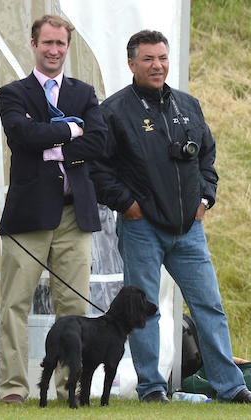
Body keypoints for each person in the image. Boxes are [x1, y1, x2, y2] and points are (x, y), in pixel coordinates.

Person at [90, 29, 251, 403]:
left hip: (188, 230)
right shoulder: (113, 111)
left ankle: (230, 387)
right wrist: (126, 205)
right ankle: (151, 389)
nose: (157, 65)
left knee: (209, 305)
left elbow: (207, 158)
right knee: (144, 311)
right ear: (131, 64)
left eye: (162, 57)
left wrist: (205, 200)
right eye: (148, 59)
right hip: (141, 228)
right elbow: (97, 168)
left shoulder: (188, 105)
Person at [0, 15, 107, 404]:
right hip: (28, 215)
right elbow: (22, 136)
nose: (54, 50)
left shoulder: (84, 92)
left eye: (61, 44)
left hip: (75, 214)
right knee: (15, 305)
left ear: (67, 47)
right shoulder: (13, 93)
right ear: (33, 44)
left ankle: (68, 389)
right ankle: (13, 388)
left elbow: (99, 143)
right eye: (47, 43)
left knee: (73, 308)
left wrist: (50, 143)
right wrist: (70, 130)